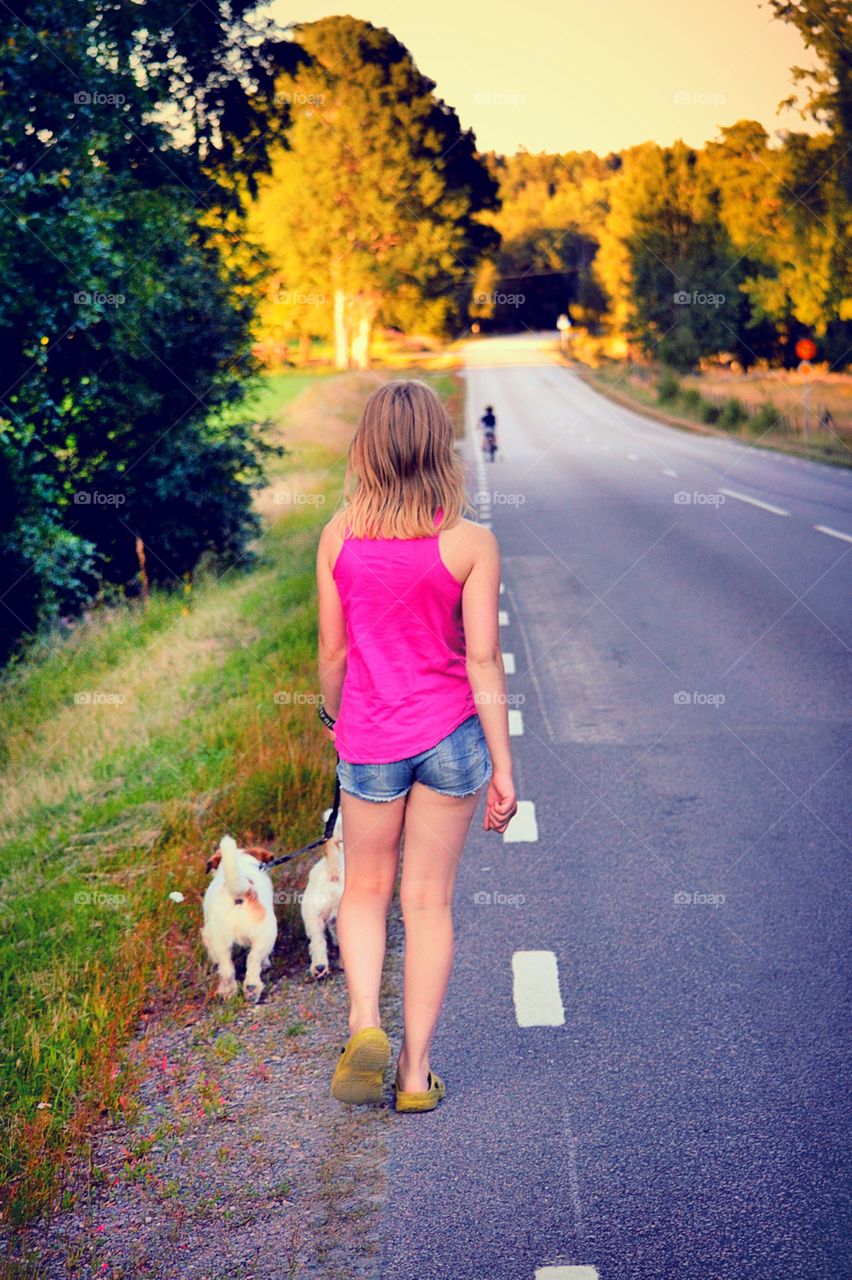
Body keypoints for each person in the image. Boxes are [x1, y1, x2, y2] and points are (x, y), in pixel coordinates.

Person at [316, 379, 517, 1114]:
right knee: (428, 902)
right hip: (451, 741)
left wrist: (336, 719)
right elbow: (483, 661)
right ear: (439, 448)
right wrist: (503, 767)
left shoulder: (339, 536)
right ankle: (412, 1075)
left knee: (365, 891)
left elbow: (334, 654)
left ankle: (364, 1023)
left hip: (371, 740)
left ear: (368, 448)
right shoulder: (470, 543)